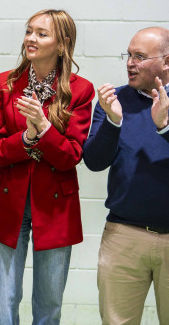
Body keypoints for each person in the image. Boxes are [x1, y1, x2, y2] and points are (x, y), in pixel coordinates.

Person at [0, 10, 95, 325]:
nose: (31, 39)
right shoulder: (3, 84)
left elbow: (71, 155)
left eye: (42, 34)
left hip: (56, 206)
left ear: (62, 45)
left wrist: (44, 129)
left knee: (49, 304)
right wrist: (28, 138)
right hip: (7, 203)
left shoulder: (81, 90)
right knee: (3, 303)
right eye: (29, 31)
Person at [83, 27, 169, 325]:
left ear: (166, 61)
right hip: (124, 237)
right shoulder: (113, 100)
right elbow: (94, 162)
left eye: (140, 57)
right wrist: (112, 121)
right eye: (129, 55)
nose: (130, 63)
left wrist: (165, 129)